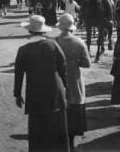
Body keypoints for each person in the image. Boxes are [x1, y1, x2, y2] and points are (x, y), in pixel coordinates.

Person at [14, 15, 70, 152]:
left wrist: (17, 94)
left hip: (35, 95)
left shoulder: (24, 50)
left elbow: (19, 75)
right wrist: (66, 87)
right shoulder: (53, 45)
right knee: (58, 129)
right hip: (56, 93)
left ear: (29, 31)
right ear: (43, 31)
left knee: (37, 131)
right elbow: (63, 67)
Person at [56, 13, 91, 150]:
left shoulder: (54, 42)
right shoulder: (79, 42)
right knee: (74, 107)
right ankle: (71, 141)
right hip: (74, 79)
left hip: (59, 80)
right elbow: (86, 64)